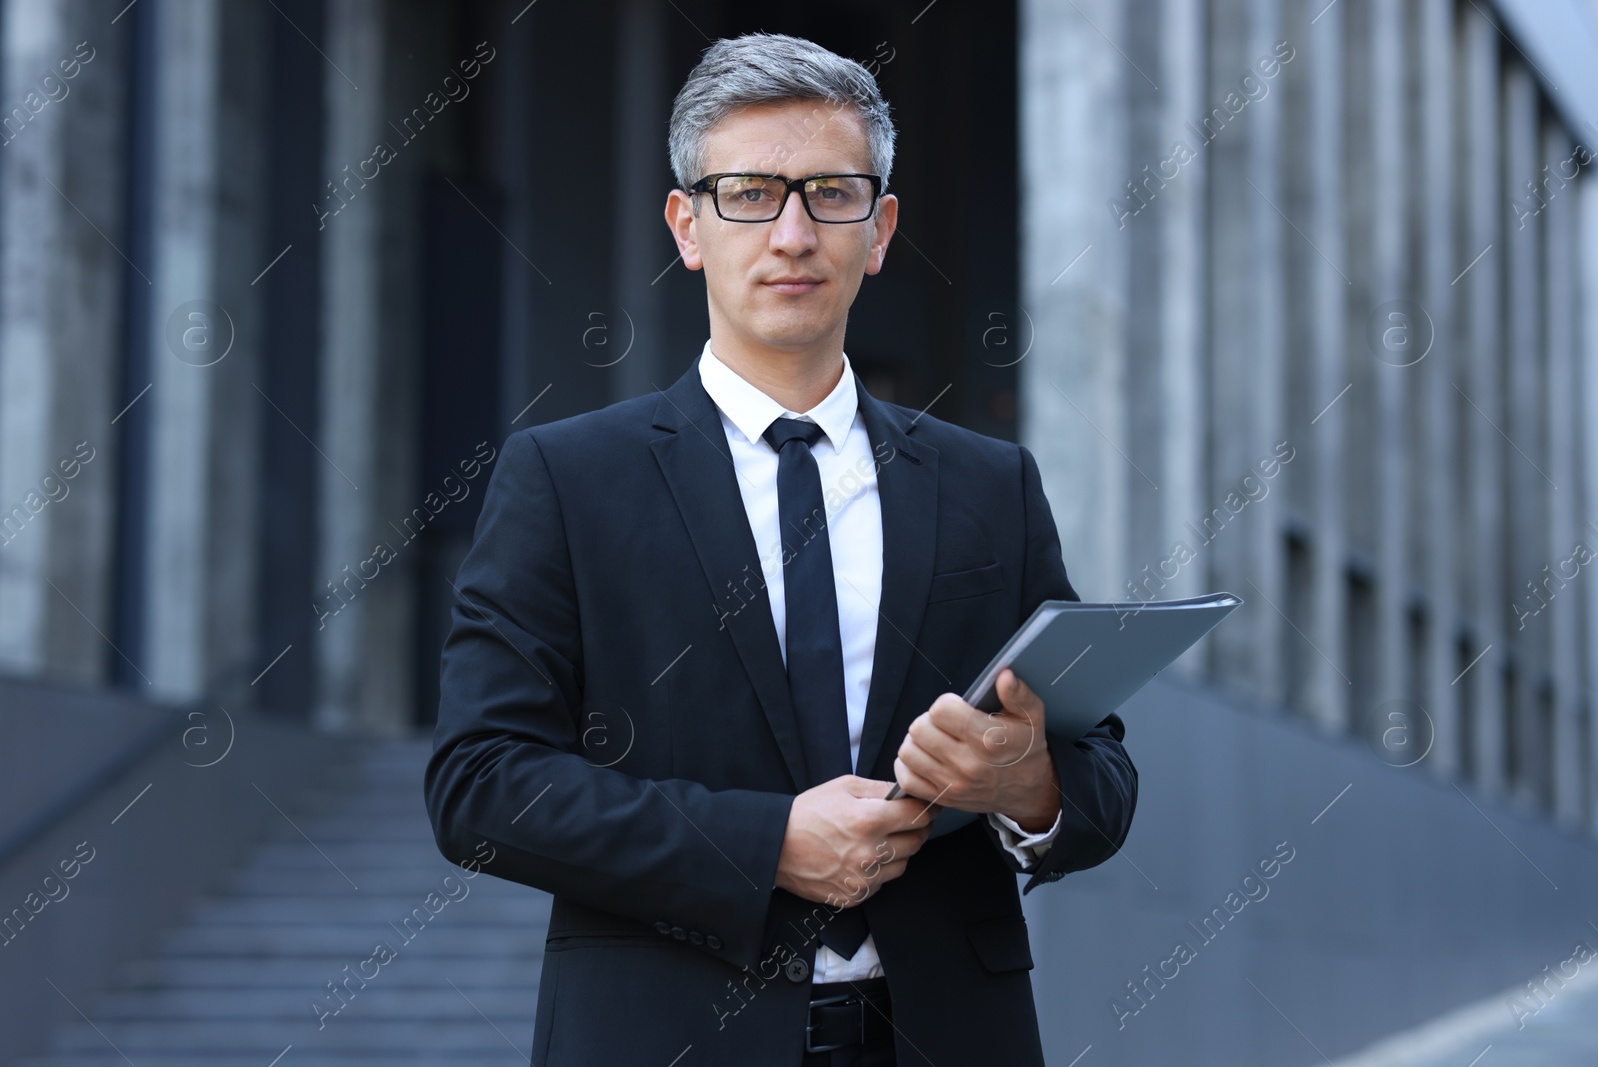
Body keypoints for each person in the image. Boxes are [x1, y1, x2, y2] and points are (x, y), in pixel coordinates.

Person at [424, 32, 1137, 1067]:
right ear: (688, 226)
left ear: (880, 228)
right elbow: (480, 785)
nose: (793, 233)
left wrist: (1026, 782)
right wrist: (762, 845)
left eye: (832, 193)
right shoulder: (567, 479)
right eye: (749, 193)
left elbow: (1100, 774)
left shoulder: (991, 485)